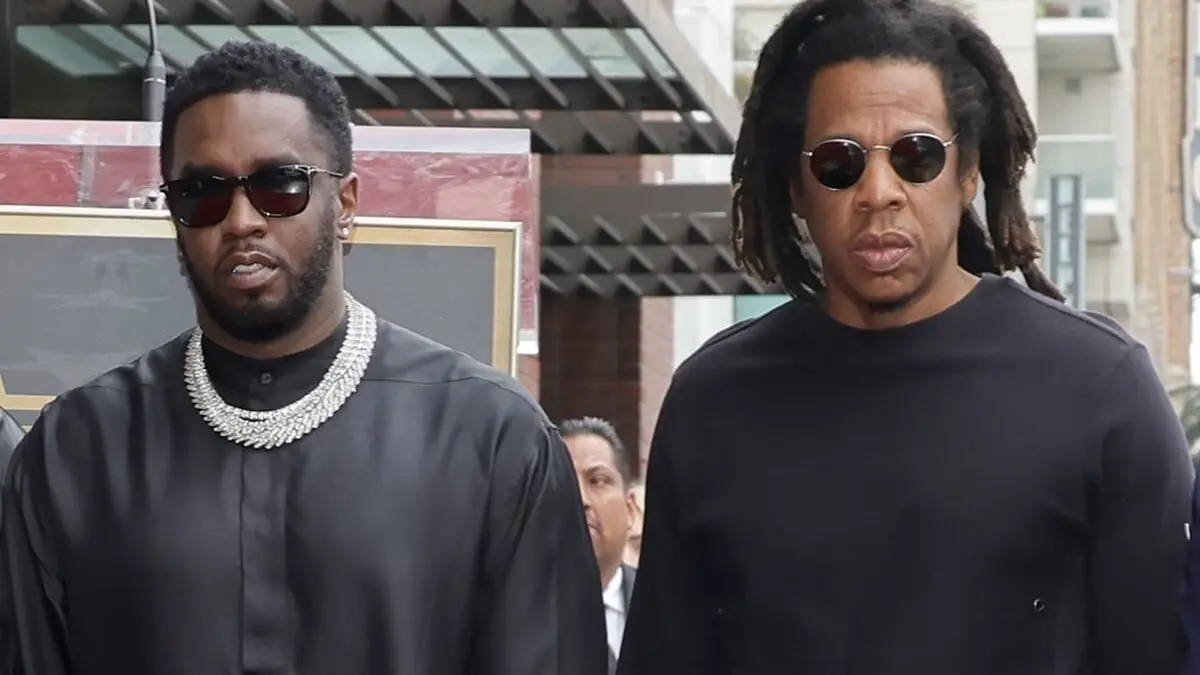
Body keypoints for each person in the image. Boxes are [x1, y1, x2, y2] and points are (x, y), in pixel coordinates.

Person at [616, 1, 1193, 674]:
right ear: (798, 186)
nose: (879, 190)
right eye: (840, 161)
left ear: (967, 170)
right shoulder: (711, 401)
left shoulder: (1101, 390)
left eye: (917, 155)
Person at [0, 40, 606, 675]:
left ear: (344, 204)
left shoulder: (489, 437)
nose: (240, 221)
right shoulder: (79, 449)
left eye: (278, 185)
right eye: (203, 192)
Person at [561, 417, 639, 675]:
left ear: (630, 510)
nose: (580, 498)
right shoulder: (511, 609)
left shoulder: (668, 605)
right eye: (565, 481)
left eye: (597, 480)